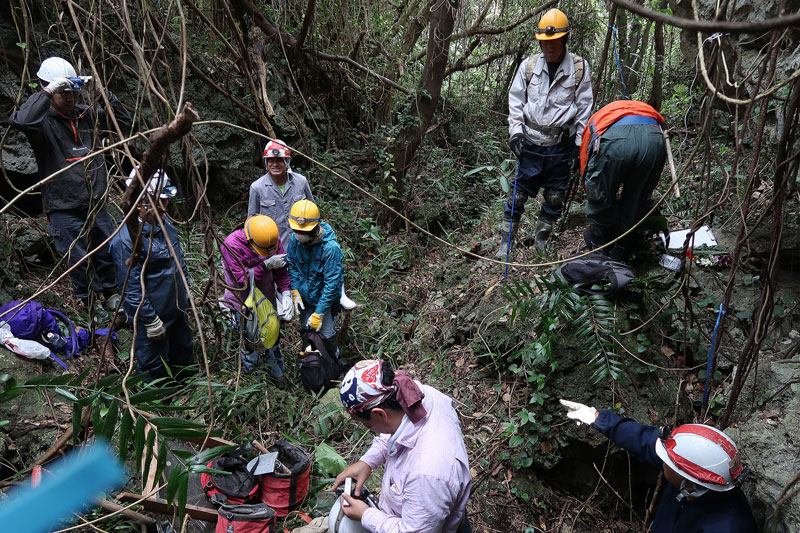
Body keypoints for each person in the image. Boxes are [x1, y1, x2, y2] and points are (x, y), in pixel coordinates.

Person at [9, 56, 132, 312]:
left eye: (72, 92)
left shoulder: (87, 115)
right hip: (63, 205)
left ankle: (110, 294)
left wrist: (103, 92)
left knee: (105, 250)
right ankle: (88, 303)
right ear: (48, 89)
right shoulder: (40, 123)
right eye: (62, 93)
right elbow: (21, 120)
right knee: (76, 258)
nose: (69, 98)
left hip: (96, 199)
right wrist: (48, 91)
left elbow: (124, 123)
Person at [560, 399, 757, 532]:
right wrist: (596, 417)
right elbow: (643, 440)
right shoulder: (694, 475)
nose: (662, 459)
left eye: (666, 460)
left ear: (688, 483)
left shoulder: (727, 526)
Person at [333, 360, 472, 533]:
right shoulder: (417, 395)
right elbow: (395, 429)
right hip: (434, 508)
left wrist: (365, 515)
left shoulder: (427, 473)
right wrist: (367, 462)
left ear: (379, 414)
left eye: (366, 424)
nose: (369, 429)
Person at [500, 8, 593, 258]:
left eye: (554, 41)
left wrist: (578, 146)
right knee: (518, 195)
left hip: (560, 146)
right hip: (530, 142)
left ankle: (541, 240)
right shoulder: (528, 66)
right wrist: (515, 133)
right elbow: (516, 101)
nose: (549, 47)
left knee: (554, 197)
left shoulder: (579, 69)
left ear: (564, 39)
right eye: (545, 42)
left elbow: (584, 109)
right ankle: (506, 243)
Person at [248, 139, 356, 310]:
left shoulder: (300, 182)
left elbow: (313, 211)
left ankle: (339, 294)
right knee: (282, 283)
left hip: (303, 241)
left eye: (279, 160)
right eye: (271, 161)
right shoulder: (257, 188)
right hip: (277, 246)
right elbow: (251, 222)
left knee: (329, 260)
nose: (275, 164)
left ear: (287, 162)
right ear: (266, 162)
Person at [109, 169, 194, 383]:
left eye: (166, 201)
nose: (165, 207)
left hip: (176, 307)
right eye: (160, 202)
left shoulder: (165, 225)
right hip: (154, 315)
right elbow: (130, 286)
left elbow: (178, 261)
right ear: (140, 203)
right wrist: (149, 319)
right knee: (154, 364)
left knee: (183, 354)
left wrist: (187, 293)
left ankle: (186, 395)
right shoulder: (126, 240)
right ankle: (157, 407)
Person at [579, 100, 667, 262]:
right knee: (637, 198)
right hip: (653, 138)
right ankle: (622, 248)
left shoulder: (596, 121)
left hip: (615, 139)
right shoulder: (640, 110)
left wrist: (596, 197)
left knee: (600, 194)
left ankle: (600, 246)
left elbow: (590, 175)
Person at [220, 215, 294, 386]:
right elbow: (241, 280)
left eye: (272, 249)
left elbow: (282, 269)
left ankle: (277, 373)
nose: (270, 252)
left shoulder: (271, 238)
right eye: (265, 251)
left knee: (273, 338)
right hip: (243, 303)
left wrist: (286, 294)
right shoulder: (232, 245)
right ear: (251, 241)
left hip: (268, 298)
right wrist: (265, 265)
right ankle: (257, 383)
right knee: (250, 343)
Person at [285, 200, 344, 359]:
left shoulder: (330, 249)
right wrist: (295, 289)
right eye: (296, 230)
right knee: (307, 334)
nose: (298, 234)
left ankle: (331, 370)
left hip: (323, 302)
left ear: (314, 228)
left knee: (326, 338)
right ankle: (311, 366)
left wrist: (319, 312)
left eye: (302, 231)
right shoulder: (295, 240)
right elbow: (292, 264)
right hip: (305, 300)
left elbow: (332, 285)